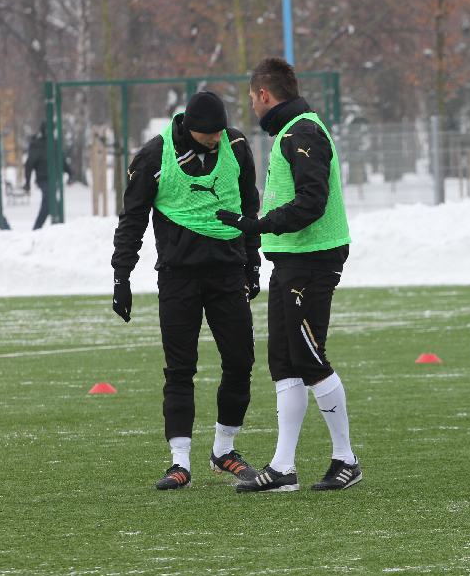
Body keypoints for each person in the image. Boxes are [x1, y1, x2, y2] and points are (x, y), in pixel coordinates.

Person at [216, 57, 360, 493]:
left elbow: (312, 202)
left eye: (252, 99)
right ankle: (283, 468)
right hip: (291, 260)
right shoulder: (290, 131)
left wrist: (257, 224)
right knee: (283, 363)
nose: (252, 108)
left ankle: (346, 460)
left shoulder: (303, 132)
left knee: (310, 359)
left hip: (312, 260)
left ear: (263, 95)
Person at [111, 91, 262, 490]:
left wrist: (253, 263)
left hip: (228, 273)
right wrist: (121, 277)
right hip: (179, 277)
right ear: (188, 126)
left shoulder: (238, 146)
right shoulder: (152, 158)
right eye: (207, 134)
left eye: (219, 132)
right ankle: (179, 463)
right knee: (179, 369)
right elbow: (132, 220)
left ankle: (224, 451)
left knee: (241, 361)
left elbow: (249, 206)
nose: (216, 139)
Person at [23, 122, 72, 230]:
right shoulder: (37, 145)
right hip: (43, 178)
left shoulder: (55, 143)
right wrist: (27, 182)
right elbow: (29, 164)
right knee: (50, 201)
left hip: (55, 179)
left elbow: (62, 160)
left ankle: (52, 227)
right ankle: (40, 228)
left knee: (51, 202)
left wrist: (69, 173)